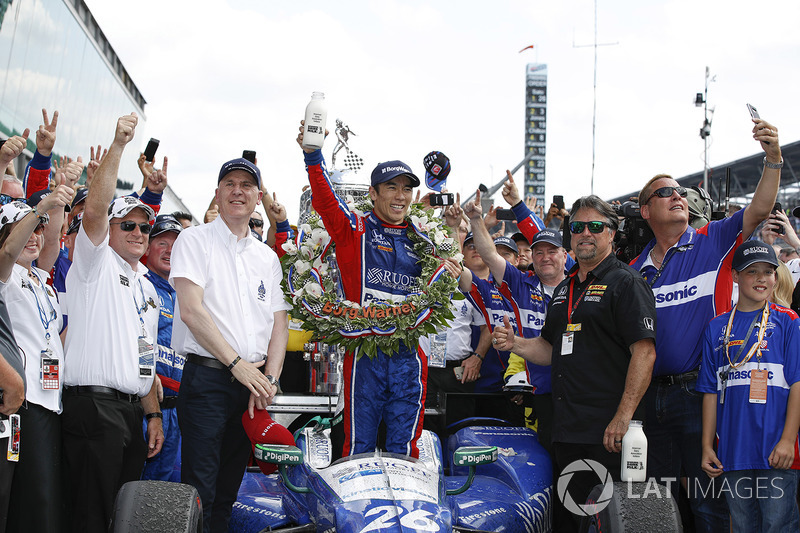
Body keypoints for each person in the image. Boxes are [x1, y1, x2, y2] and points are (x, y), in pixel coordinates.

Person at [631, 117, 782, 531]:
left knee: (709, 505)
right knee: (652, 503)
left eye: (680, 190)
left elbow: (760, 208)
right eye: (665, 192)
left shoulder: (712, 239)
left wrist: (772, 159)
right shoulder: (632, 270)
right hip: (647, 399)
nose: (678, 196)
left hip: (700, 395)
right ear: (646, 210)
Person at [493, 195, 657, 532]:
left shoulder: (627, 283)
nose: (586, 233)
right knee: (572, 519)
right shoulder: (565, 289)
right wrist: (516, 344)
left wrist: (623, 417)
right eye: (578, 226)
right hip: (566, 430)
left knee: (611, 521)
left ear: (612, 233)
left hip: (609, 433)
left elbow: (645, 353)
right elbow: (549, 349)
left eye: (595, 226)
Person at [296, 122, 459, 459]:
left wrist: (451, 265)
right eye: (391, 187)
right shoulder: (354, 228)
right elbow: (326, 202)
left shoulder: (424, 236)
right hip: (364, 352)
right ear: (373, 193)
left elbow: (451, 273)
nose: (400, 196)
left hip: (409, 353)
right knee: (358, 444)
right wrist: (313, 157)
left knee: (405, 446)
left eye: (406, 189)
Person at [170, 157, 289, 533]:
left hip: (251, 389)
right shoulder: (194, 240)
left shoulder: (267, 257)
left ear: (257, 198)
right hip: (207, 381)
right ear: (218, 193)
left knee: (228, 491)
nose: (238, 191)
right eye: (230, 183)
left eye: (247, 185)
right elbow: (191, 311)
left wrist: (267, 380)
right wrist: (238, 365)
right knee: (199, 492)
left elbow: (279, 325)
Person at [61, 113, 164, 533]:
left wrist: (152, 415)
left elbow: (143, 356)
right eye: (128, 225)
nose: (139, 232)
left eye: (145, 226)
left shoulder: (149, 286)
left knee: (121, 519)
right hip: (92, 409)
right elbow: (98, 208)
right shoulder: (94, 262)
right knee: (89, 517)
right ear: (110, 229)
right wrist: (119, 145)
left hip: (130, 415)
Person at [698, 241, 800, 533]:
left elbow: (797, 383)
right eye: (751, 271)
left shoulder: (788, 321)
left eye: (768, 272)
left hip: (777, 451)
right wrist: (707, 446)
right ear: (734, 276)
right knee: (742, 526)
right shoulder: (716, 327)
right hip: (732, 451)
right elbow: (709, 391)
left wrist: (787, 440)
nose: (761, 278)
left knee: (778, 525)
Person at [0, 179, 72, 533]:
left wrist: (61, 196)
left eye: (37, 230)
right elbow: (7, 253)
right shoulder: (6, 277)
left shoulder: (40, 279)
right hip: (23, 404)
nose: (33, 236)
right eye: (22, 228)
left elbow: (54, 240)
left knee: (47, 499)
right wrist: (39, 209)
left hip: (51, 404)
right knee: (31, 499)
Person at [141, 214, 183, 482]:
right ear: (147, 247)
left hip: (179, 410)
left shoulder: (184, 293)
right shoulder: (140, 285)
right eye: (162, 243)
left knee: (171, 493)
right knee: (143, 489)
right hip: (149, 409)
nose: (169, 251)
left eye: (175, 245)